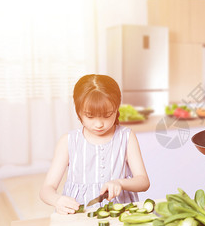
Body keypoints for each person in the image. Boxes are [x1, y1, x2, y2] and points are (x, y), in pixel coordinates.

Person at [40, 74, 150, 214]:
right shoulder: (68, 141)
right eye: (90, 116)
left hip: (120, 213)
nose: (99, 124)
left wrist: (120, 183)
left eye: (107, 115)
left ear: (116, 109)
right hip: (78, 215)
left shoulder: (126, 137)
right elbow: (46, 189)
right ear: (79, 112)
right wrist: (57, 200)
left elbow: (143, 181)